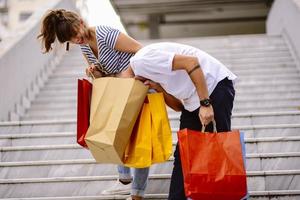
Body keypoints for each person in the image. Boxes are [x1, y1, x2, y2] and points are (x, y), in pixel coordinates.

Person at [37, 9, 175, 200]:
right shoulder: (84, 45)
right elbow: (105, 75)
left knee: (140, 142)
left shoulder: (105, 34)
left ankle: (137, 194)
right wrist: (96, 72)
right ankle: (124, 181)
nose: (76, 40)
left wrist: (126, 72)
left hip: (141, 89)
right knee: (120, 137)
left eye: (74, 34)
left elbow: (142, 51)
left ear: (80, 22)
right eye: (70, 39)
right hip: (121, 94)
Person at [126, 42, 237, 199]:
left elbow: (191, 62)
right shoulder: (146, 75)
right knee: (183, 154)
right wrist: (158, 88)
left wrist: (205, 103)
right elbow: (178, 107)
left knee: (218, 149)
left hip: (213, 86)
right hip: (191, 101)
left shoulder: (141, 61)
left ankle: (226, 194)